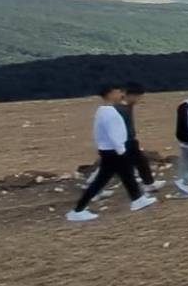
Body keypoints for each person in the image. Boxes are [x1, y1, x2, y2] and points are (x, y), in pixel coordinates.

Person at [66, 85, 157, 222]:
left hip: (108, 151)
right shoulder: (111, 113)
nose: (121, 93)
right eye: (118, 91)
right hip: (114, 151)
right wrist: (121, 151)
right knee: (103, 180)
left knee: (126, 176)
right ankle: (78, 210)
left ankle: (137, 199)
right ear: (110, 94)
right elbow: (115, 135)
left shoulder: (102, 111)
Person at [119, 83, 166, 192]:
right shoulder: (121, 108)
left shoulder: (127, 106)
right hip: (124, 140)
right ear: (130, 95)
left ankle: (149, 183)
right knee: (110, 167)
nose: (138, 99)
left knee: (141, 161)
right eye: (137, 96)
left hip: (130, 139)